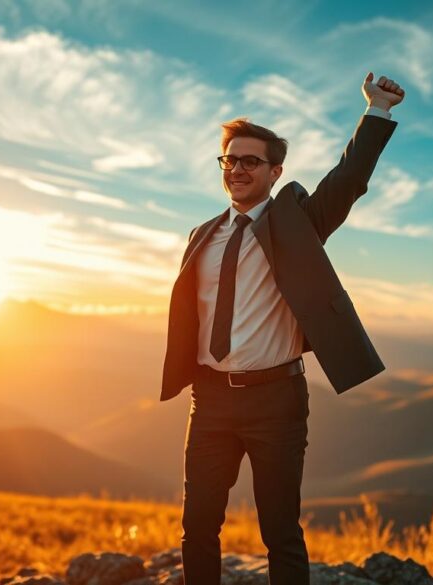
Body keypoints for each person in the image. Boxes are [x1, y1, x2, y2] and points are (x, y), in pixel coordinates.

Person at [161, 72, 405, 584]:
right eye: (229, 159)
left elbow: (349, 178)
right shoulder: (202, 235)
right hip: (209, 400)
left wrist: (376, 110)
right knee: (197, 526)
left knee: (280, 531)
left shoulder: (298, 222)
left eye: (250, 161)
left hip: (277, 400)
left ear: (275, 172)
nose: (236, 169)